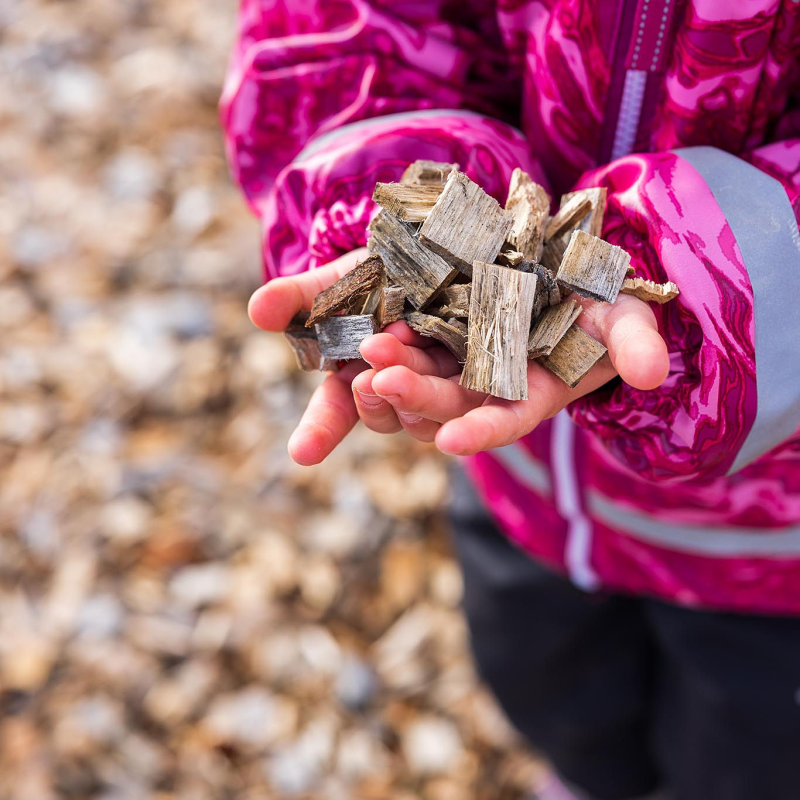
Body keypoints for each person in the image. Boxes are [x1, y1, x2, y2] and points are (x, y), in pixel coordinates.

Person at [222, 2, 800, 798]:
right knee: (548, 687)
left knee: (746, 759)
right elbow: (341, 27)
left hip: (771, 551)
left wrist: (694, 276)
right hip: (526, 485)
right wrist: (386, 203)